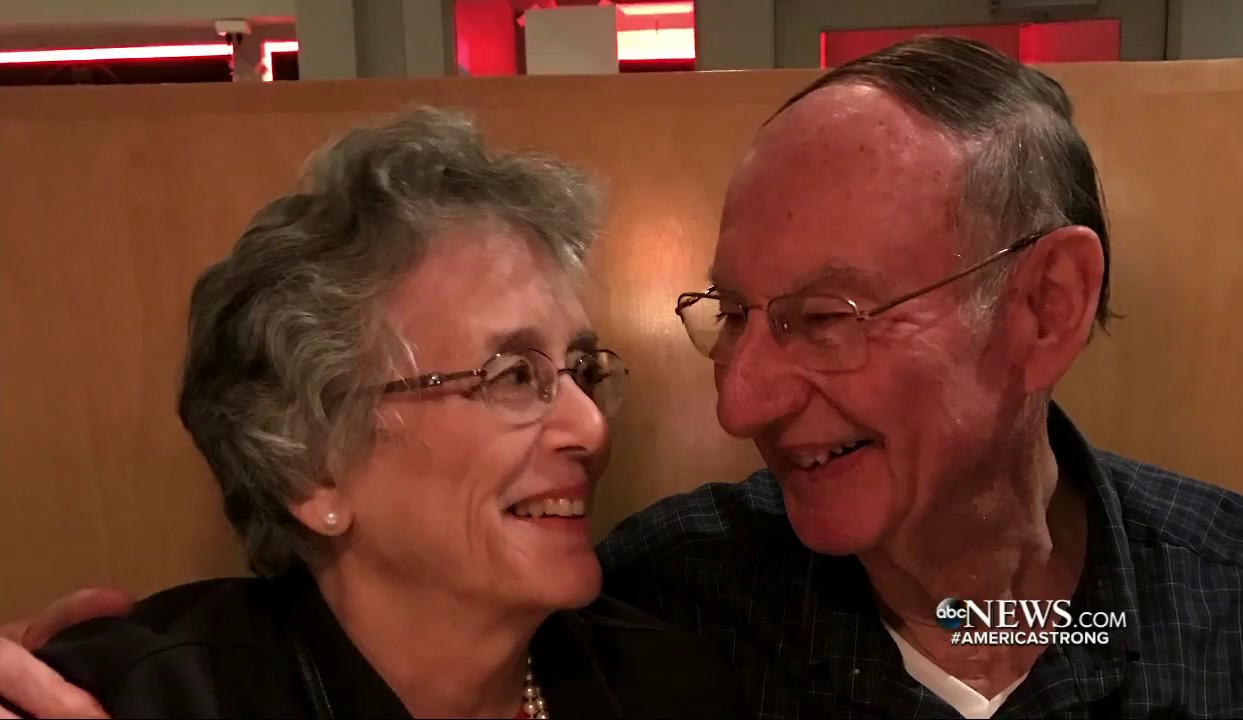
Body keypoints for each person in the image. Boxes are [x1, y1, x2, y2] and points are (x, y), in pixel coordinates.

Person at [4, 35, 1243, 720]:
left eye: (824, 317)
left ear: (1043, 308)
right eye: (733, 318)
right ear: (309, 461)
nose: (738, 403)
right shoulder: (685, 595)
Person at [0, 106, 739, 719]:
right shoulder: (149, 698)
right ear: (313, 466)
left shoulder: (663, 685)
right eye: (514, 374)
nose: (590, 428)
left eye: (582, 370)